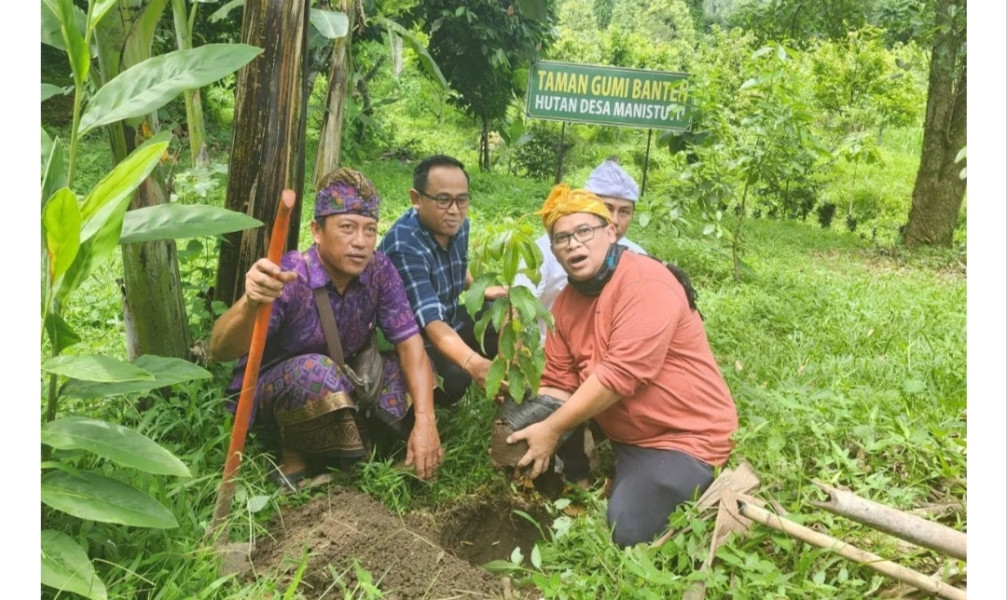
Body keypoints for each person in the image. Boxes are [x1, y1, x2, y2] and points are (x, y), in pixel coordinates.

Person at [506, 183, 739, 547]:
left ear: (610, 231)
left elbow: (619, 376)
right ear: (553, 250)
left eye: (584, 231)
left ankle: (688, 480)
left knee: (626, 530)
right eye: (562, 238)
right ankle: (618, 470)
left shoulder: (646, 281)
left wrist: (550, 430)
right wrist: (517, 421)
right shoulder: (566, 304)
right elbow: (559, 383)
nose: (573, 244)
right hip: (627, 436)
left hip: (684, 437)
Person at [209, 168, 443, 486]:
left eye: (370, 230)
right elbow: (220, 349)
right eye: (347, 228)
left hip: (345, 379)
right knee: (316, 373)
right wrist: (250, 303)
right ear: (317, 231)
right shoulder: (290, 276)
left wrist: (426, 421)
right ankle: (297, 456)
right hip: (279, 394)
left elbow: (408, 343)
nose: (360, 242)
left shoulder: (379, 270)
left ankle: (356, 444)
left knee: (423, 371)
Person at [378, 155, 506, 406]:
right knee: (456, 378)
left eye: (462, 199)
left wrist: (479, 288)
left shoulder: (458, 226)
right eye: (443, 200)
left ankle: (504, 381)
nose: (455, 210)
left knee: (500, 312)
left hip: (447, 318)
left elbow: (458, 262)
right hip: (412, 339)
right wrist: (473, 364)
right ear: (416, 199)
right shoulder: (405, 246)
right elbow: (430, 322)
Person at [514, 159, 648, 338]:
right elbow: (518, 305)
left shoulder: (637, 256)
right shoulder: (544, 250)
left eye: (624, 211)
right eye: (607, 208)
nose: (615, 220)